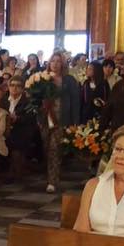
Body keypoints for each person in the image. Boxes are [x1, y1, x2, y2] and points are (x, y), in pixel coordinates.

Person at [41, 52, 81, 193]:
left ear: (63, 64)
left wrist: (75, 121)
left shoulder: (69, 80)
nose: (55, 64)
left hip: (61, 119)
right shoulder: (43, 79)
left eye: (58, 61)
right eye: (53, 61)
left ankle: (52, 180)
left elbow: (76, 101)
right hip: (45, 119)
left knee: (54, 149)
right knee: (47, 148)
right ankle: (52, 173)